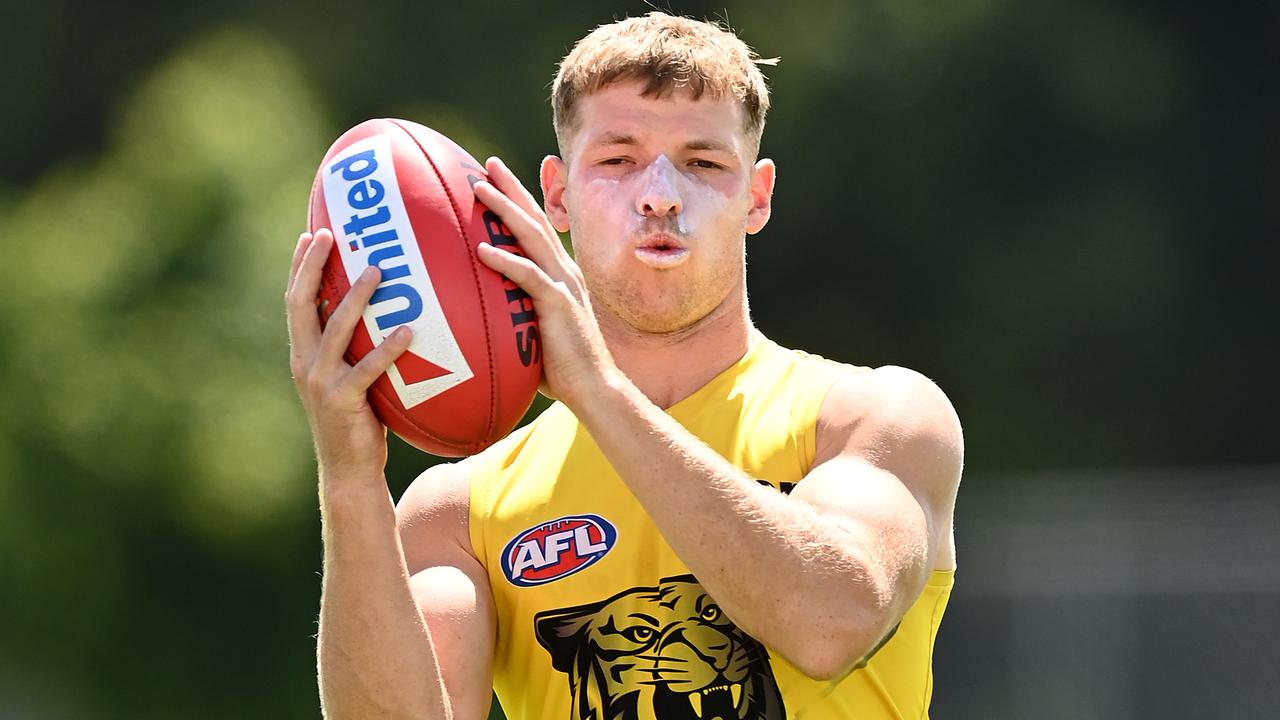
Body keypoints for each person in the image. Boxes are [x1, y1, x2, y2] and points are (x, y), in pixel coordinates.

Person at [285, 11, 963, 720]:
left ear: (756, 196)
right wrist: (351, 480)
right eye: (617, 160)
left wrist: (598, 391)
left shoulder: (871, 416)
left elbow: (832, 622)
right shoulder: (462, 507)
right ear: (556, 195)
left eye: (703, 162)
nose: (661, 194)